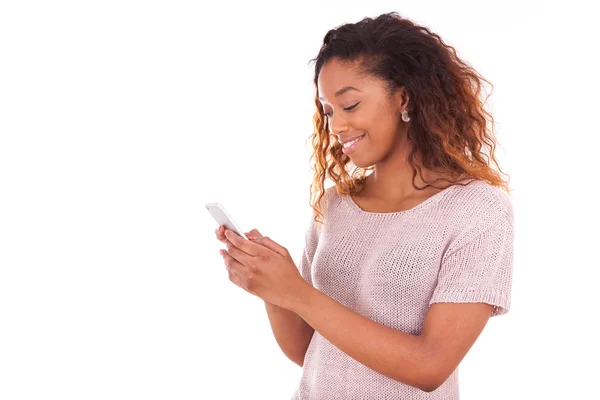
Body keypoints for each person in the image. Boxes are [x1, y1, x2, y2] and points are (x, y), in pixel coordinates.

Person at [215, 11, 513, 400]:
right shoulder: (336, 203)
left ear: (404, 97)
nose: (336, 125)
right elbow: (309, 350)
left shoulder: (477, 209)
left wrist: (297, 293)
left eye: (350, 105)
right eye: (328, 111)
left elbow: (431, 365)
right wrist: (273, 290)